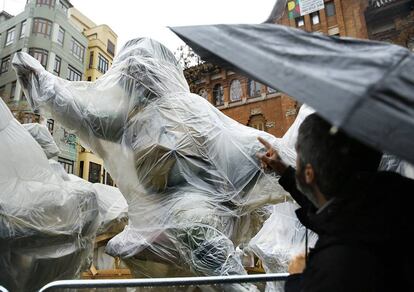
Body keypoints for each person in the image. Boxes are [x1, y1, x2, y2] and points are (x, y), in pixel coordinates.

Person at [256, 113, 414, 292]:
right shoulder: (387, 206)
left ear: (309, 174)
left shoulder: (336, 266)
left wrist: (297, 279)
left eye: (299, 156)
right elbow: (331, 213)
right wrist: (284, 171)